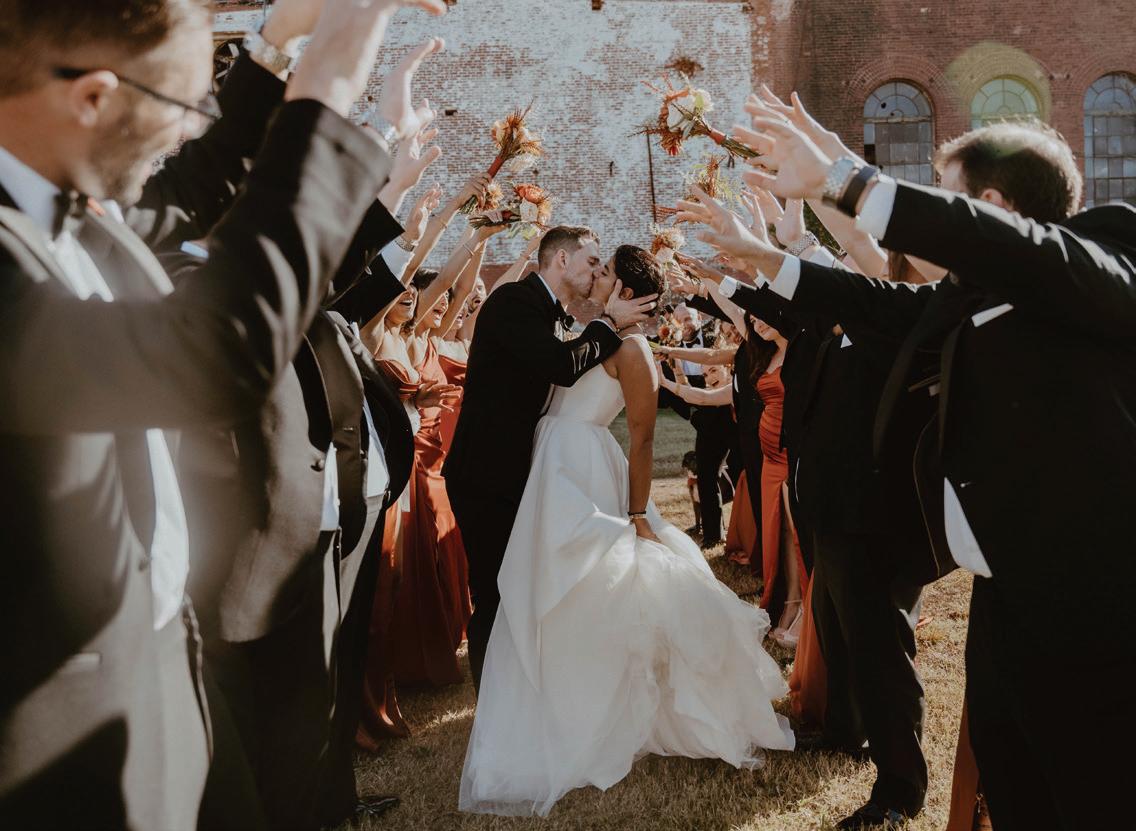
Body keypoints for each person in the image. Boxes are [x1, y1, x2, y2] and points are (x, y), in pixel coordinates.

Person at [0, 0, 445, 827]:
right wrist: (328, 80)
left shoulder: (64, 195)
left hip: (169, 668)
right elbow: (217, 350)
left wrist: (277, 41)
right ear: (92, 99)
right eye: (182, 104)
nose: (190, 127)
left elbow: (194, 183)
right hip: (60, 740)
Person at [693, 107, 1136, 829]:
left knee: (1092, 790)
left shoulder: (1106, 253)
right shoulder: (965, 299)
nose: (928, 219)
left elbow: (1022, 252)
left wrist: (847, 181)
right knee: (1012, 777)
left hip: (1093, 605)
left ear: (989, 207)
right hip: (1003, 597)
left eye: (943, 197)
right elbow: (872, 297)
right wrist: (762, 255)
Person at [458, 246, 794, 816]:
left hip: (579, 472)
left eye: (606, 271)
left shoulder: (633, 348)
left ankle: (600, 707)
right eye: (595, 266)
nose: (596, 275)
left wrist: (638, 514)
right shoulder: (589, 331)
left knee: (588, 585)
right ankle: (549, 698)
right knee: (541, 589)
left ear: (628, 292)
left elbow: (642, 438)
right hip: (547, 467)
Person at [444, 225, 656, 692]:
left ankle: (527, 688)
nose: (596, 271)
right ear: (562, 260)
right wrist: (610, 321)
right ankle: (494, 701)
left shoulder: (556, 316)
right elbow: (561, 366)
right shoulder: (514, 303)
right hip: (485, 474)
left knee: (524, 586)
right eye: (592, 261)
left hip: (525, 473)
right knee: (496, 591)